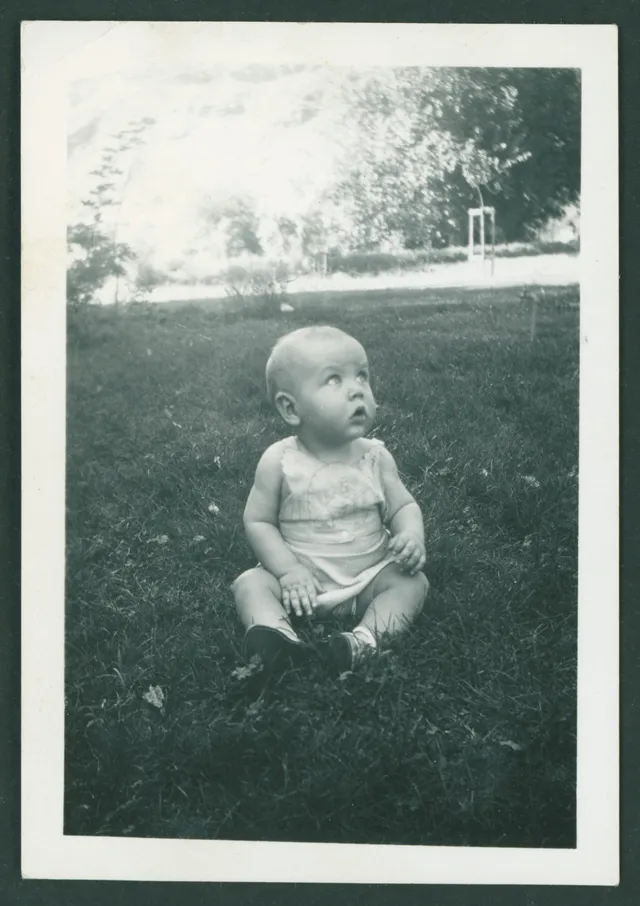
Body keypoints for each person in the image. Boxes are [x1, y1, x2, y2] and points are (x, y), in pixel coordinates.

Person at [231, 325, 429, 673]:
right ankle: (277, 638)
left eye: (362, 377)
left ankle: (364, 640)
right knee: (250, 583)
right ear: (291, 409)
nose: (357, 390)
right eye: (334, 380)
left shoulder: (376, 457)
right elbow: (258, 521)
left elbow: (403, 506)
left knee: (413, 583)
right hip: (298, 586)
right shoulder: (279, 461)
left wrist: (411, 535)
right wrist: (288, 571)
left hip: (367, 579)